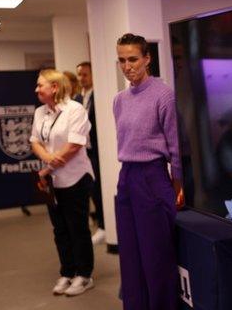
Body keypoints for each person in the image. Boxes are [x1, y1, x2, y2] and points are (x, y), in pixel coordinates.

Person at [113, 33, 184, 309]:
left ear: (147, 58)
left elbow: (176, 146)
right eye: (121, 60)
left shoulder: (163, 94)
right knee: (130, 259)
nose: (127, 66)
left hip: (153, 178)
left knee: (156, 261)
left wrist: (177, 186)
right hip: (126, 178)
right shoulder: (119, 100)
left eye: (132, 59)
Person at [29, 69, 95, 295]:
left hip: (76, 177)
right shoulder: (40, 112)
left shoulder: (75, 110)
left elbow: (75, 145)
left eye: (40, 85)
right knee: (60, 229)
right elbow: (35, 141)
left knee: (78, 228)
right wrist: (48, 159)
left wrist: (48, 166)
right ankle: (68, 272)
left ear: (54, 87)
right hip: (52, 180)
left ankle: (84, 275)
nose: (36, 89)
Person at [74, 61, 105, 244]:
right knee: (89, 189)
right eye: (79, 74)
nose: (81, 78)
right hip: (82, 152)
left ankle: (104, 225)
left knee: (98, 188)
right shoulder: (78, 98)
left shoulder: (98, 95)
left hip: (97, 151)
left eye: (85, 74)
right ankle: (99, 223)